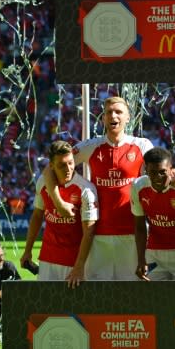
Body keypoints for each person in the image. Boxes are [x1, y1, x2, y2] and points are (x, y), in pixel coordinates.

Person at [43, 96, 153, 280]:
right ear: (103, 118)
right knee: (99, 298)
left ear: (128, 117)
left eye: (118, 112)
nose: (113, 115)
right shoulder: (91, 146)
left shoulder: (142, 145)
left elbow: (160, 169)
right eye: (108, 112)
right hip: (98, 236)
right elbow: (50, 169)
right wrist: (58, 201)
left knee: (131, 296)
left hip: (132, 235)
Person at [21, 140, 98, 288]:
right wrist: (27, 251)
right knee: (47, 308)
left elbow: (89, 231)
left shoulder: (86, 190)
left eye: (70, 163)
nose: (68, 168)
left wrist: (79, 266)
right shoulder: (43, 183)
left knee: (74, 309)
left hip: (73, 261)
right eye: (62, 165)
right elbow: (37, 217)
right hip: (47, 258)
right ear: (51, 166)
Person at [131, 148, 175, 285]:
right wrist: (141, 260)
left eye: (162, 172)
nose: (158, 177)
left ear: (171, 169)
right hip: (154, 254)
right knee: (154, 301)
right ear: (146, 170)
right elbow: (140, 227)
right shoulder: (138, 186)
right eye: (153, 172)